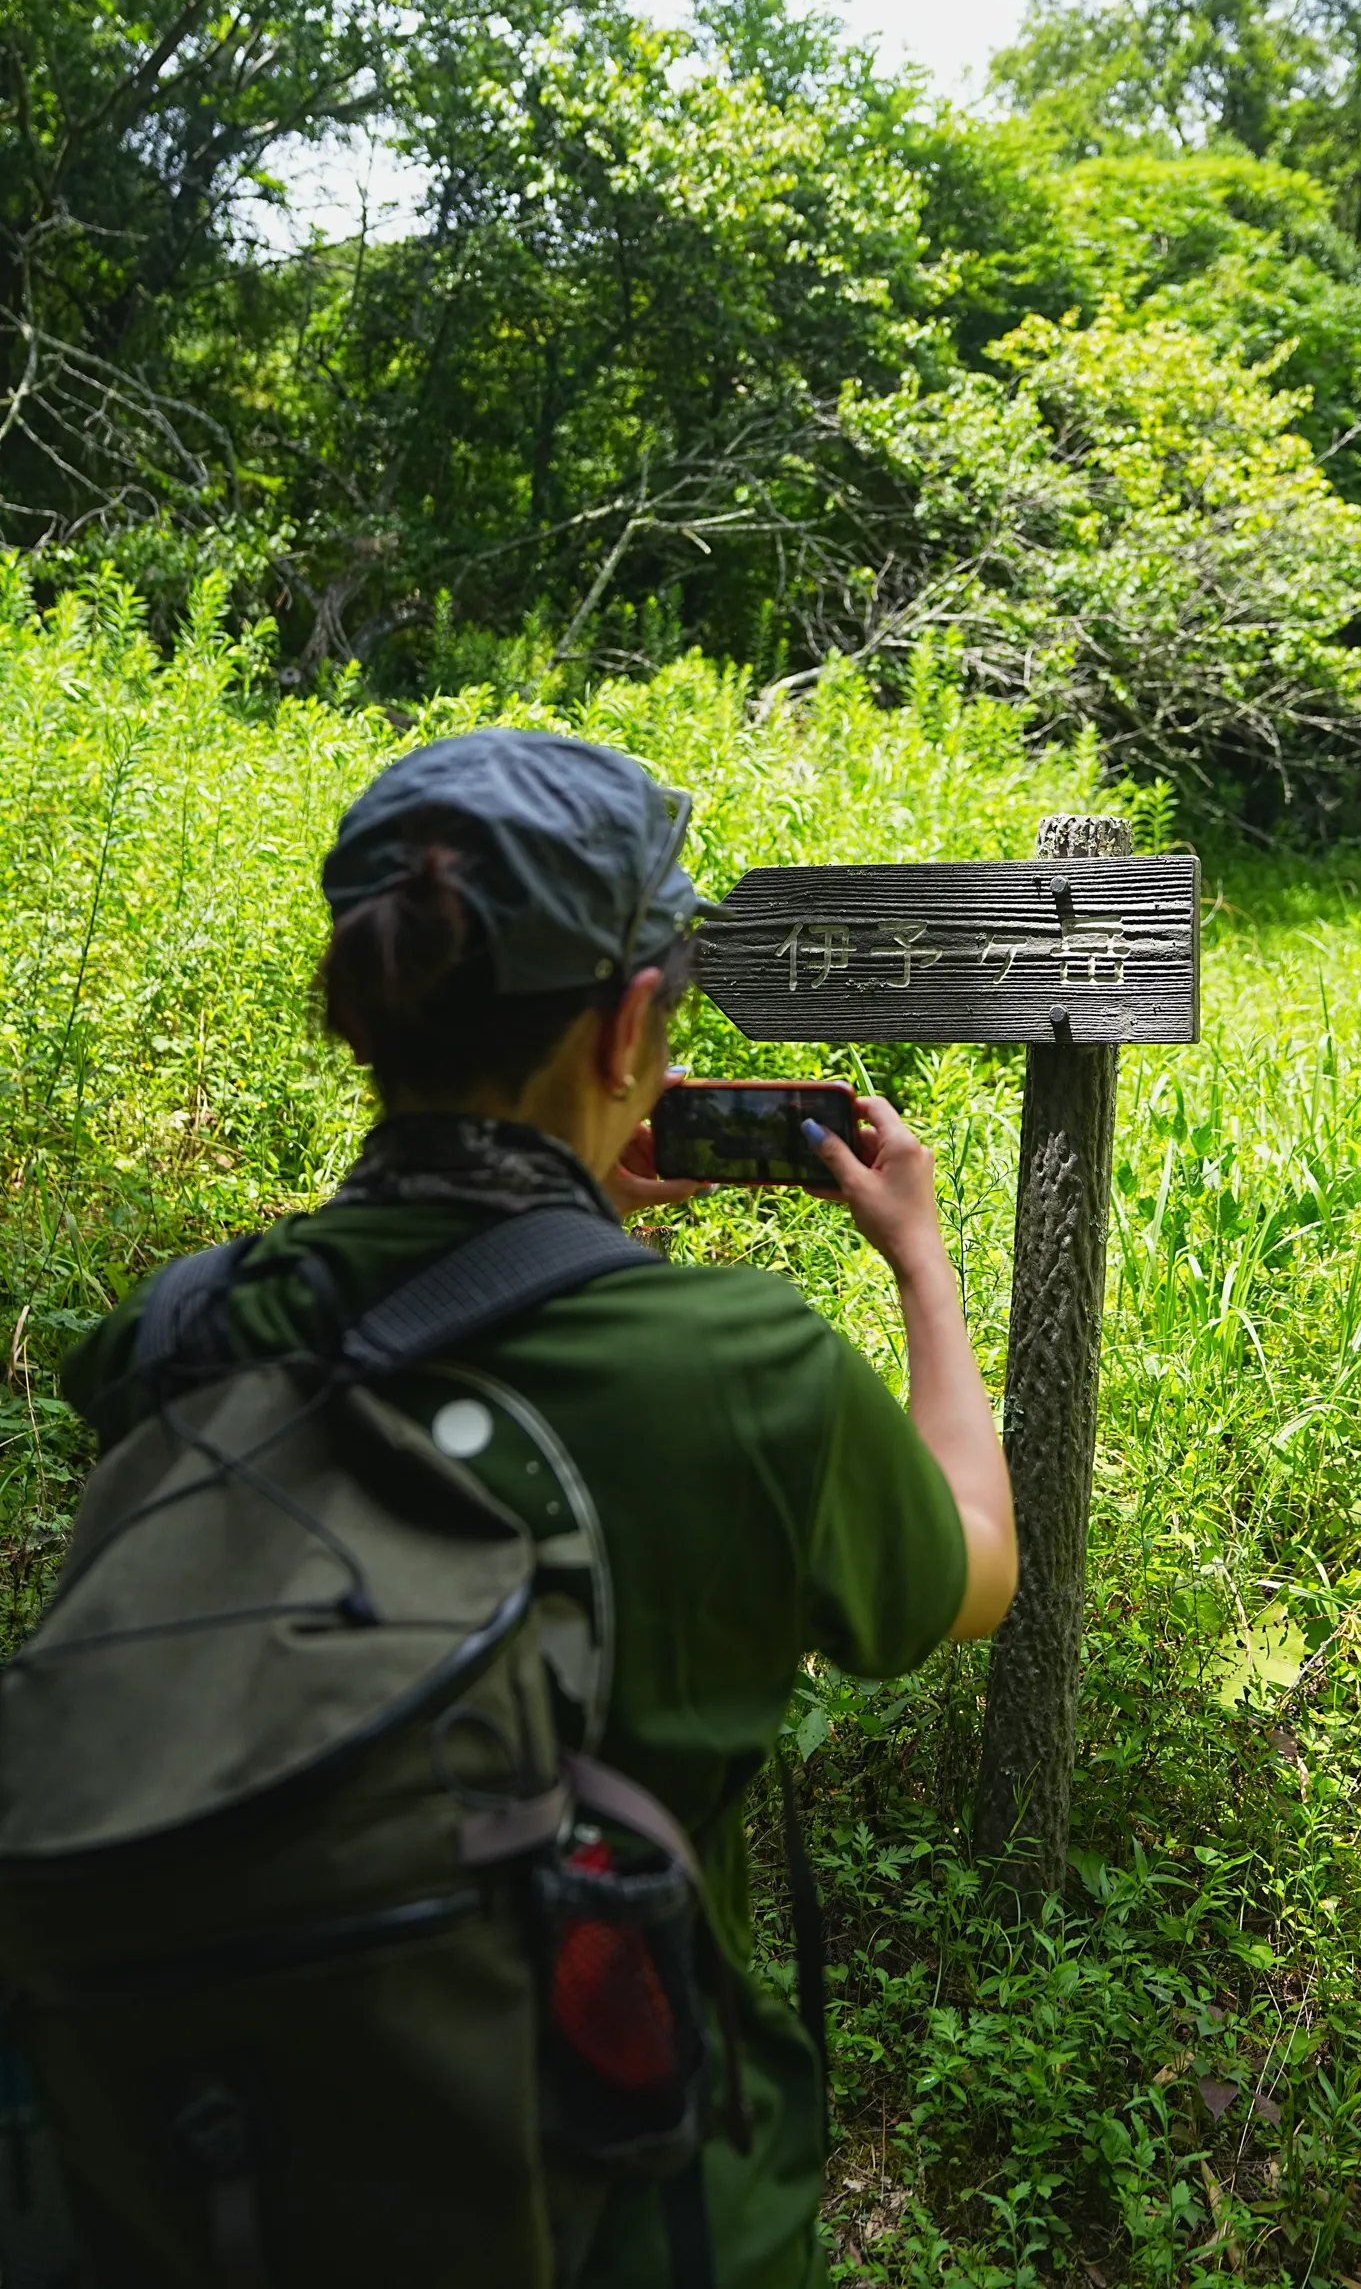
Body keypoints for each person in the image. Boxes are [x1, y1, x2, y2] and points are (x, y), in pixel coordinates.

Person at [61, 726, 1017, 2289]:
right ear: (635, 1021)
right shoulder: (741, 1369)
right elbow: (976, 1572)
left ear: (367, 1005)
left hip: (183, 2185)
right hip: (612, 2220)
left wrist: (564, 1219)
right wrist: (923, 1265)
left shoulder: (172, 1334)